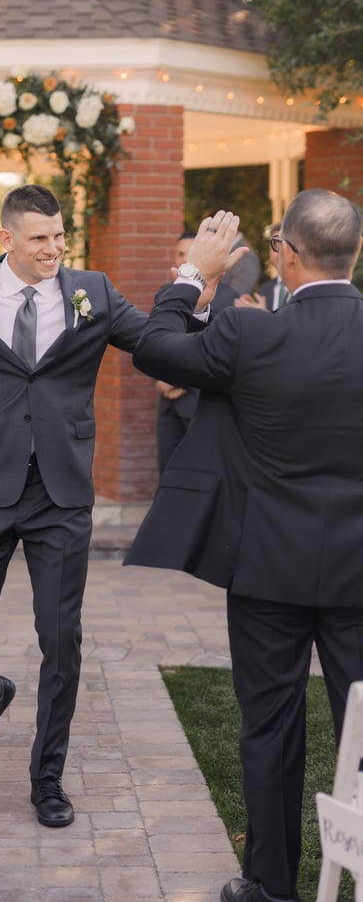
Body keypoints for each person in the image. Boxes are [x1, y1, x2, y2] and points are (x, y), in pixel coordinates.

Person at [0, 183, 208, 828]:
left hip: (61, 491)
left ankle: (48, 779)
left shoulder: (93, 290)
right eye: (39, 239)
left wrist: (197, 301)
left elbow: (155, 345)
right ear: (6, 237)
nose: (53, 250)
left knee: (61, 640)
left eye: (59, 237)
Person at [127, 190, 363, 902]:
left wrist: (192, 274)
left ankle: (267, 885)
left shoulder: (251, 335)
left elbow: (154, 348)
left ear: (285, 254)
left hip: (266, 567)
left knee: (269, 727)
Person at [154, 231, 237, 472]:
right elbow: (156, 337)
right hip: (167, 405)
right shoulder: (166, 293)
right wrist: (159, 377)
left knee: (200, 476)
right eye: (180, 254)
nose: (184, 261)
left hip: (201, 403)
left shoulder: (227, 297)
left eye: (189, 255)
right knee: (167, 475)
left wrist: (177, 380)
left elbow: (221, 352)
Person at [234, 223, 290, 311]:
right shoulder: (264, 290)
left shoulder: (308, 290)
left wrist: (263, 316)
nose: (282, 251)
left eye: (288, 243)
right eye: (275, 243)